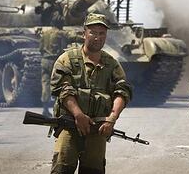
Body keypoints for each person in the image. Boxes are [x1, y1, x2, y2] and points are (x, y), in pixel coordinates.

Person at [50, 13, 132, 174]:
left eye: (102, 33)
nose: (98, 37)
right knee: (61, 169)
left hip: (98, 129)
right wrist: (78, 115)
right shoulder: (67, 59)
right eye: (93, 32)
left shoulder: (111, 64)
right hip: (70, 126)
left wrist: (111, 120)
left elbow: (122, 91)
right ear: (84, 34)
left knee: (93, 170)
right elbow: (63, 90)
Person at [39, 13, 80, 117]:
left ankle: (45, 108)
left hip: (45, 60)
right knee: (62, 83)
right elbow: (74, 37)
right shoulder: (61, 33)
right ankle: (61, 108)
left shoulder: (45, 33)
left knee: (46, 84)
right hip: (56, 62)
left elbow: (40, 49)